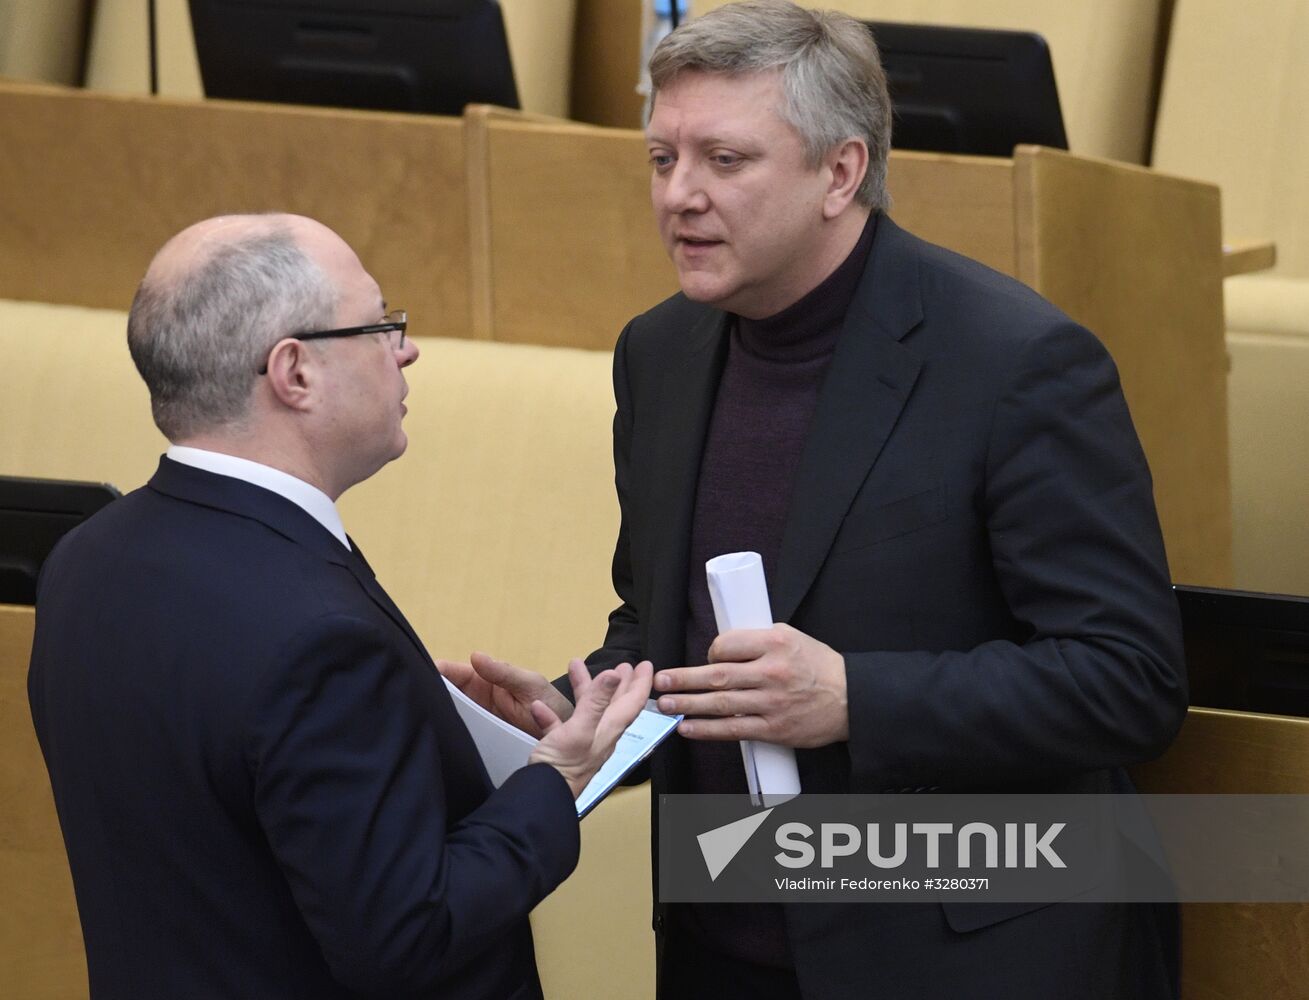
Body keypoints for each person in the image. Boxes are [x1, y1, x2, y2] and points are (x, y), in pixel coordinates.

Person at [439, 2, 1188, 998]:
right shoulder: (658, 354)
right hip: (722, 945)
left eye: (724, 160)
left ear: (840, 171)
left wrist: (855, 700)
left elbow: (1127, 679)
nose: (680, 196)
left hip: (962, 953)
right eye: (661, 159)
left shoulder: (1016, 363)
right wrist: (584, 713)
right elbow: (666, 627)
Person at [27, 212, 652, 1000]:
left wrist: (436, 730)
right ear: (294, 373)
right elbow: (407, 938)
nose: (407, 348)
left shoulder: (86, 557)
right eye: (381, 325)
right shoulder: (319, 640)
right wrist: (552, 783)